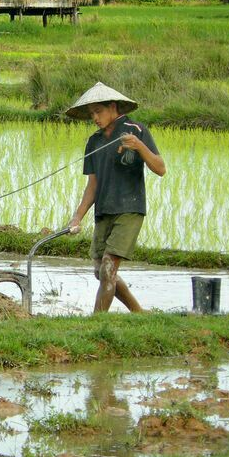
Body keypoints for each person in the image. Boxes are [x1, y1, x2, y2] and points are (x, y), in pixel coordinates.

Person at [65, 82, 166, 313]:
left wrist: (139, 146)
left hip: (129, 208)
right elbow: (93, 184)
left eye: (98, 111)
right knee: (100, 270)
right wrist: (77, 217)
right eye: (91, 114)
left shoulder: (135, 131)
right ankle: (139, 313)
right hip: (104, 210)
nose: (95, 118)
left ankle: (97, 322)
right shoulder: (94, 142)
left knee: (108, 269)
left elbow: (160, 169)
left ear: (113, 107)